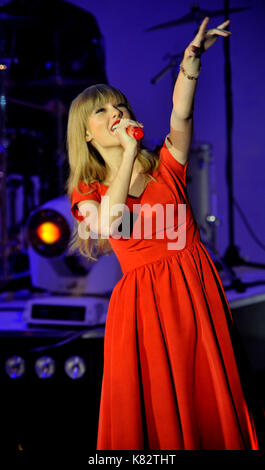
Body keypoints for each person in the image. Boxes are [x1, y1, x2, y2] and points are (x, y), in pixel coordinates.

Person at [67, 18, 259, 450]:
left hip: (192, 290)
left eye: (120, 105)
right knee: (153, 415)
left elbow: (181, 113)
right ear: (85, 132)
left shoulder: (167, 163)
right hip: (141, 306)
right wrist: (130, 150)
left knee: (205, 400)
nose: (116, 112)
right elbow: (110, 223)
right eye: (102, 110)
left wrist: (190, 64)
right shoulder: (88, 191)